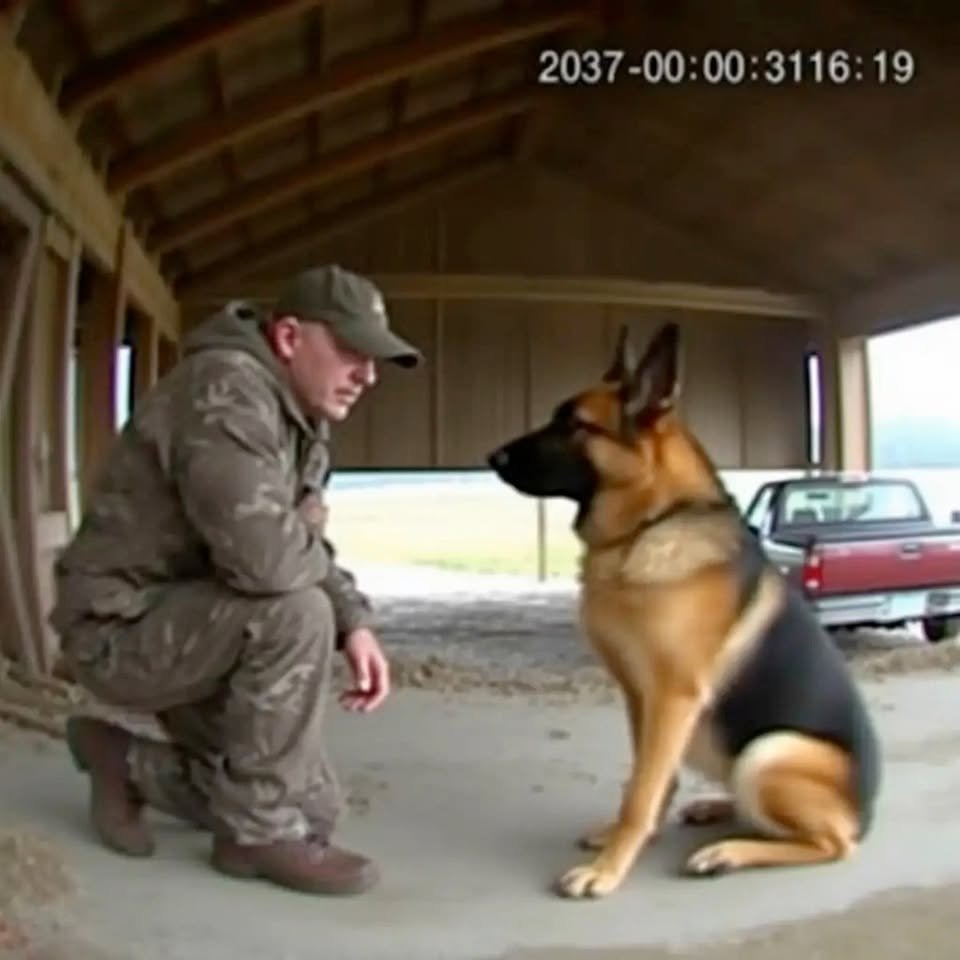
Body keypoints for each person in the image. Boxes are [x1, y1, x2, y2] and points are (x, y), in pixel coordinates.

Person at [49, 264, 423, 896]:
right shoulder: (225, 389)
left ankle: (123, 761)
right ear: (288, 338)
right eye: (351, 352)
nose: (368, 375)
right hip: (123, 630)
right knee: (298, 611)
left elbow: (298, 542)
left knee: (319, 811)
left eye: (374, 358)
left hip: (200, 623)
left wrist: (355, 620)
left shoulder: (300, 423)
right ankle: (256, 835)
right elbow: (268, 561)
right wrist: (329, 609)